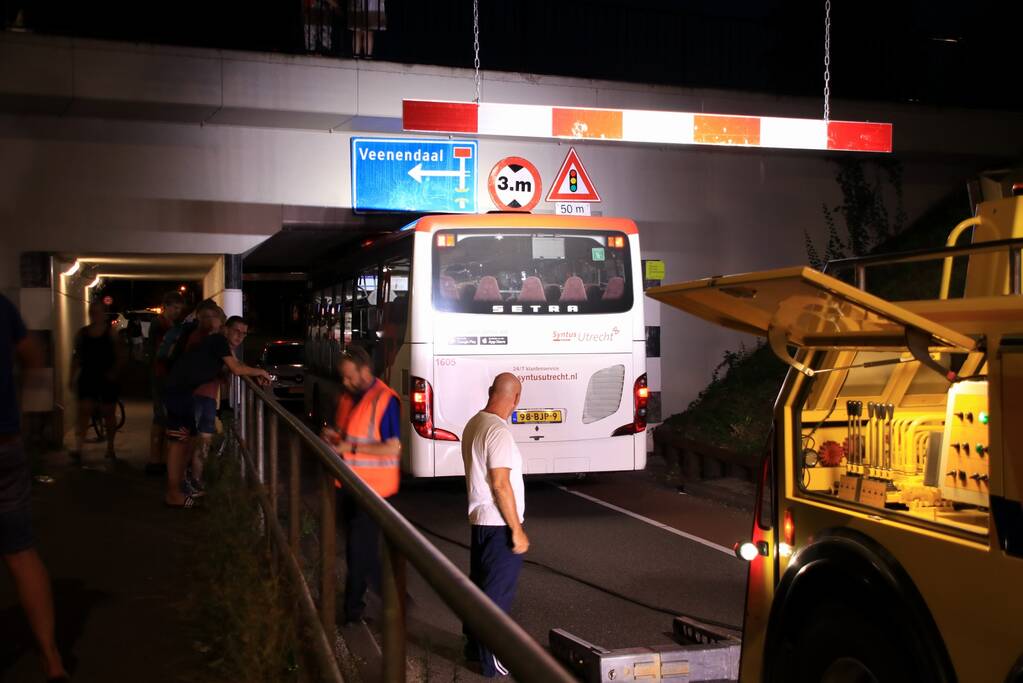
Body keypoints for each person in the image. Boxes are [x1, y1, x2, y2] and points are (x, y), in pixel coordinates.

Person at [0, 294, 69, 681]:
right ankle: (51, 659)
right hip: (5, 445)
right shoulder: (2, 306)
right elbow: (33, 355)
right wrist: (22, 415)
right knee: (21, 552)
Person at [320, 345, 400, 624]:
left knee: (358, 551)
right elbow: (348, 434)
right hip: (349, 485)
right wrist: (333, 436)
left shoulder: (385, 400)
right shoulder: (349, 396)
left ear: (365, 371)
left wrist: (349, 447)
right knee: (362, 550)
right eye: (343, 376)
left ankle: (352, 611)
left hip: (373, 491)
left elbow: (392, 448)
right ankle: (393, 596)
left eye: (349, 376)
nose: (345, 381)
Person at [460, 372, 528, 678]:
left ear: (491, 391)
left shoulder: (475, 423)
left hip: (481, 522)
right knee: (496, 596)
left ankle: (473, 649)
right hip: (500, 525)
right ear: (516, 398)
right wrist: (517, 529)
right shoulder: (498, 432)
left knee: (479, 588)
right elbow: (501, 484)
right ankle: (491, 661)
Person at [162, 316, 270, 508]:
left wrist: (252, 374)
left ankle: (178, 489)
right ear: (226, 329)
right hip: (178, 391)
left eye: (244, 334)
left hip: (184, 392)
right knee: (179, 443)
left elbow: (236, 365)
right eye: (236, 331)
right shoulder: (218, 341)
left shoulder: (220, 345)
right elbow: (236, 369)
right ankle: (173, 494)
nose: (240, 336)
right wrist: (260, 372)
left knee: (187, 441)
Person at [68, 302, 123, 463]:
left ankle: (110, 447)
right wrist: (71, 376)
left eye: (98, 312)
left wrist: (114, 372)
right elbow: (76, 357)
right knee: (83, 412)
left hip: (106, 378)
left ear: (103, 314)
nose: (95, 315)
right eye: (92, 312)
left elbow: (120, 354)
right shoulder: (82, 334)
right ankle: (79, 448)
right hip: (88, 377)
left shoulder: (111, 333)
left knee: (108, 413)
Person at [182, 302, 226, 494]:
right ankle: (193, 481)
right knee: (201, 440)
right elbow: (232, 366)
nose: (213, 321)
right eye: (209, 317)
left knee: (197, 439)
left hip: (198, 394)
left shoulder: (195, 337)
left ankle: (191, 479)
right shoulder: (208, 339)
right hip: (202, 395)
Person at [146, 291, 185, 476]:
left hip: (165, 374)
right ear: (166, 306)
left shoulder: (170, 325)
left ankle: (159, 458)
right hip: (161, 373)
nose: (177, 312)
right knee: (160, 416)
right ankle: (156, 459)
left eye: (179, 309)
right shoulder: (160, 324)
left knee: (163, 416)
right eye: (175, 308)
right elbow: (158, 351)